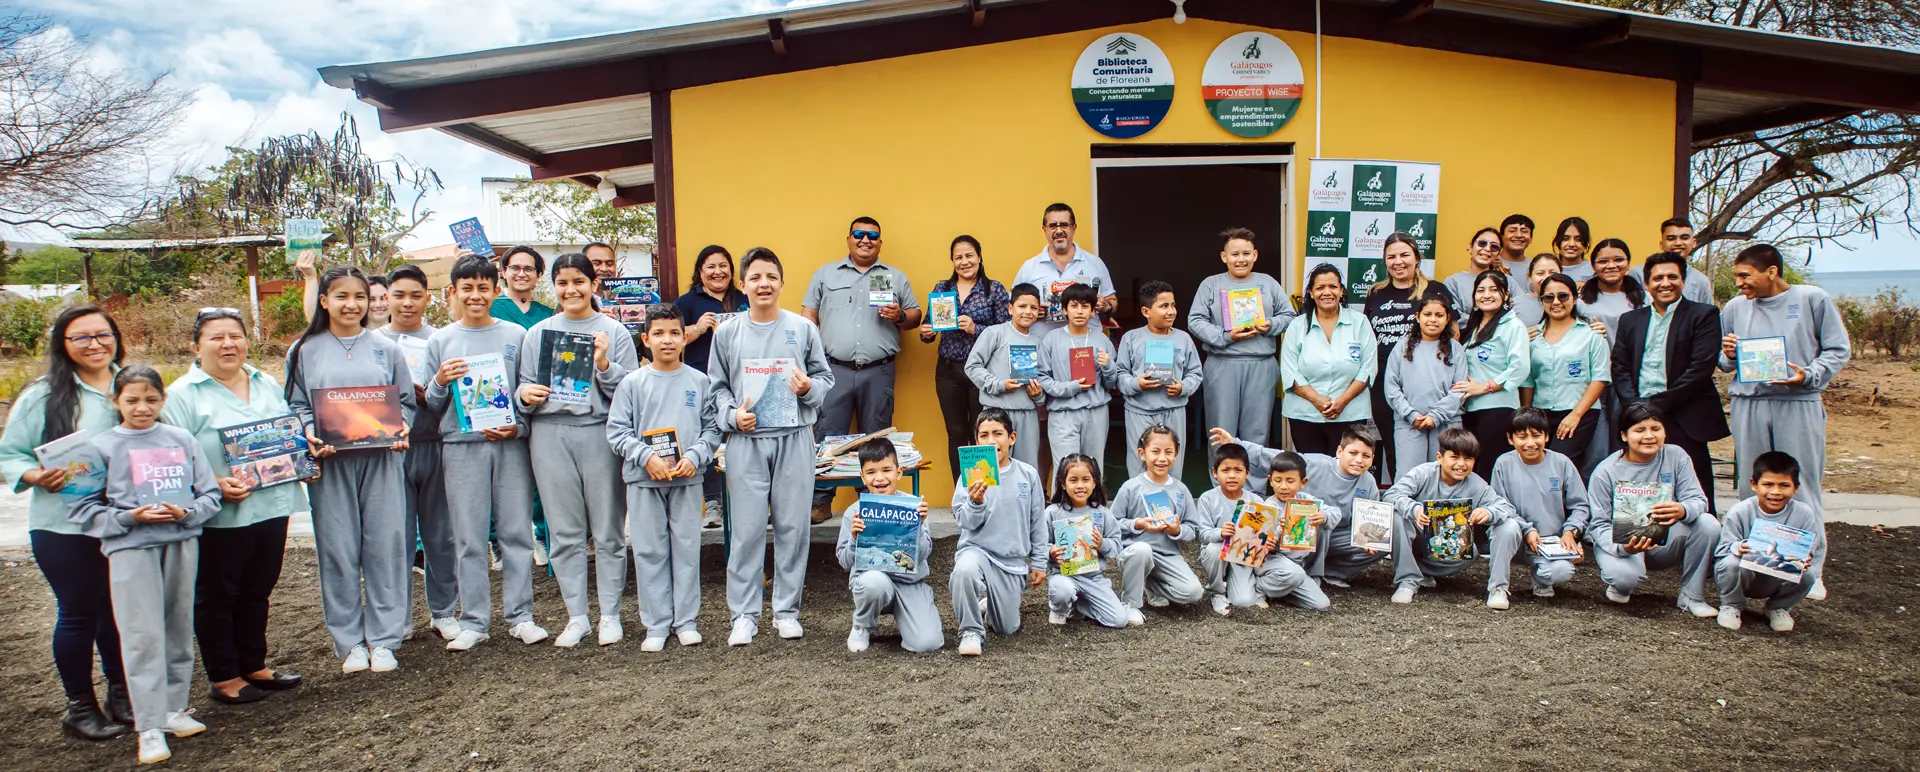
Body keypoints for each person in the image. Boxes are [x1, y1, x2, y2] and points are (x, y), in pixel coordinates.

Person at [68, 365, 223, 766]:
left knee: (177, 625)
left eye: (151, 399)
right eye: (132, 400)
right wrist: (128, 518)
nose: (142, 408)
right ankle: (148, 725)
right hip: (130, 549)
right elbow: (83, 507)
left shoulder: (181, 439)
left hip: (181, 543)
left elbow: (208, 495)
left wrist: (186, 512)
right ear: (115, 401)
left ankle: (174, 709)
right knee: (141, 634)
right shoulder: (100, 447)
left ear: (163, 400)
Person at [0, 305, 133, 740]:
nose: (95, 344)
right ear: (63, 344)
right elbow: (10, 453)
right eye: (82, 338)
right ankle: (80, 706)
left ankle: (122, 695)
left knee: (116, 613)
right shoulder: (43, 394)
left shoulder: (130, 385)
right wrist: (36, 475)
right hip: (63, 527)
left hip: (122, 522)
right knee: (78, 613)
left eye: (103, 334)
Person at [160, 309, 305, 705]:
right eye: (216, 337)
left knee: (259, 588)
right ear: (196, 346)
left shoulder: (266, 382)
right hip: (222, 514)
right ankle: (224, 676)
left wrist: (302, 461)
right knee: (217, 593)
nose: (228, 344)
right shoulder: (181, 396)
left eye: (235, 336)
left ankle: (254, 663)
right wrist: (210, 484)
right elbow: (169, 460)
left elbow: (286, 436)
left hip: (272, 504)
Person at [286, 266, 415, 674]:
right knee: (338, 551)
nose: (351, 304)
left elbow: (406, 401)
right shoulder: (303, 350)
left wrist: (402, 426)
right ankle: (349, 641)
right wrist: (309, 431)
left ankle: (384, 639)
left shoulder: (385, 348)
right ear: (324, 301)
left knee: (386, 548)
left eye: (359, 296)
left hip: (381, 461)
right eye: (340, 296)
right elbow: (295, 405)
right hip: (331, 464)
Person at [708, 247, 835, 647]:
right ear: (742, 284)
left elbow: (824, 378)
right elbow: (718, 389)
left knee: (793, 527)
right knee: (746, 531)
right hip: (747, 440)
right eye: (755, 277)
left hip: (794, 437)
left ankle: (786, 610)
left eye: (771, 277)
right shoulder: (727, 333)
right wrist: (732, 417)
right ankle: (744, 614)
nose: (764, 284)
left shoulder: (803, 328)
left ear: (782, 282)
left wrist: (808, 389)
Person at [517, 253, 640, 648]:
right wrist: (527, 393)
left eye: (579, 281)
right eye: (562, 282)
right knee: (564, 531)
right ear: (552, 287)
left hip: (599, 433)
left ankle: (610, 614)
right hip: (549, 434)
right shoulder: (538, 333)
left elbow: (632, 390)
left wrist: (604, 364)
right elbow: (521, 387)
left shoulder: (615, 332)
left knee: (608, 531)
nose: (571, 290)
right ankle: (576, 616)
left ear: (594, 285)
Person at [422, 256, 544, 651]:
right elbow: (432, 406)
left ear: (496, 290)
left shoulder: (515, 335)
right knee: (470, 538)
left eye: (483, 288)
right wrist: (440, 380)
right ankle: (474, 619)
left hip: (508, 446)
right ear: (454, 292)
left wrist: (518, 426)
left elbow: (528, 392)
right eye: (467, 288)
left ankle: (521, 616)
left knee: (515, 533)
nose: (476, 296)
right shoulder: (441, 340)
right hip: (461, 448)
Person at [1718, 244, 1848, 600]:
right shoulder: (1733, 308)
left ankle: (1810, 569)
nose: (1740, 283)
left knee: (1801, 484)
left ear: (1771, 272)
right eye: (1737, 276)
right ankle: (1756, 562)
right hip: (1749, 403)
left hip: (1798, 401)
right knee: (1754, 486)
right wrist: (1728, 355)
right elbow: (1725, 362)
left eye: (1745, 275)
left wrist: (1807, 375)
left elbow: (1838, 350)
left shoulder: (1811, 299)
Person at [608, 305, 722, 652]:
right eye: (658, 333)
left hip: (687, 481)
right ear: (645, 340)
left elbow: (713, 428)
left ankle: (685, 621)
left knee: (686, 550)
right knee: (649, 551)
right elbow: (617, 432)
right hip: (644, 482)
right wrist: (646, 457)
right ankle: (656, 624)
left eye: (674, 333)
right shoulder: (632, 383)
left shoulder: (699, 381)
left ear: (684, 337)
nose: (667, 340)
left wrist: (694, 456)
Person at [803, 216, 922, 522]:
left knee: (876, 437)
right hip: (833, 370)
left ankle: (873, 502)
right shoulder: (825, 274)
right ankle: (819, 501)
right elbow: (807, 320)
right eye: (859, 234)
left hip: (877, 370)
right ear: (849, 239)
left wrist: (899, 315)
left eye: (872, 236)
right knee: (827, 435)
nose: (865, 240)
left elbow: (915, 316)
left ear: (880, 242)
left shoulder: (895, 276)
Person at [376, 264, 461, 637]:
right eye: (399, 295)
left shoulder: (441, 340)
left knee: (441, 536)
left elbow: (461, 396)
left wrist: (434, 391)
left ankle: (443, 611)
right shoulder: (372, 343)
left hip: (436, 444)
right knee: (395, 538)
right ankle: (397, 617)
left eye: (416, 295)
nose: (407, 303)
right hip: (390, 451)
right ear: (386, 298)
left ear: (429, 299)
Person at [1612, 252, 1729, 510]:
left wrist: (1655, 406)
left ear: (1683, 281)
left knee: (1693, 482)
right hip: (1638, 413)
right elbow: (1619, 366)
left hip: (1683, 413)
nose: (1665, 283)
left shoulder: (1704, 315)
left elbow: (1701, 368)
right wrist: (1635, 406)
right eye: (1658, 278)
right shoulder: (1631, 320)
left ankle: (1702, 539)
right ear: (1647, 284)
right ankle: (1643, 539)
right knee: (1642, 479)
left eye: (1672, 277)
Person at [1585, 401, 1720, 618]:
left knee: (1708, 524)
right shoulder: (1605, 472)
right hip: (1623, 542)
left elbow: (1699, 500)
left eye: (1656, 429)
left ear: (1665, 433)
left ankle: (1691, 596)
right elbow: (1597, 524)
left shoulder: (1676, 456)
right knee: (1624, 577)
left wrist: (1682, 509)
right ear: (1624, 436)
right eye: (1640, 430)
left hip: (1665, 539)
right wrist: (1623, 548)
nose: (1649, 436)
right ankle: (1621, 585)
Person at [1212, 424, 1383, 587]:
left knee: (1382, 544)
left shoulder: (1368, 482)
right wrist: (1237, 444)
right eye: (1353, 453)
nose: (1358, 460)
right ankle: (1304, 573)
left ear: (1372, 459)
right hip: (1301, 532)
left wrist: (1370, 541)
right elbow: (1276, 456)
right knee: (1316, 521)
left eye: (1366, 456)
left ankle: (1332, 572)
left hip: (1338, 536)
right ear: (1340, 451)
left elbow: (1370, 519)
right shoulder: (1318, 464)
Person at [1382, 428, 1522, 609]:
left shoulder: (1476, 483)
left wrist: (1488, 512)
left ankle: (1498, 589)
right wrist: (1414, 509)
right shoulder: (1423, 473)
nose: (1461, 464)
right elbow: (1391, 495)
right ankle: (1408, 580)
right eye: (1455, 457)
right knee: (1396, 516)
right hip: (1419, 541)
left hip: (1453, 552)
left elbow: (1506, 508)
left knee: (1509, 524)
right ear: (1440, 457)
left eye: (1468, 459)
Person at [948, 408, 1047, 657]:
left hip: (1011, 562)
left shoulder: (1028, 474)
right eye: (984, 435)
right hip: (978, 550)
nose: (991, 440)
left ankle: (989, 603)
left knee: (1007, 628)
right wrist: (976, 502)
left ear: (1011, 438)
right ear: (976, 441)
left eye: (997, 433)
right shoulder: (969, 477)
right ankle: (970, 630)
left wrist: (1039, 562)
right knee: (964, 570)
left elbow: (1037, 521)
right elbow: (964, 521)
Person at [1363, 233, 1457, 480]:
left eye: (1405, 255)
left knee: (1438, 455)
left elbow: (1453, 334)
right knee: (1398, 450)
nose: (1398, 261)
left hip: (1429, 382)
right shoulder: (1375, 292)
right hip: (1385, 381)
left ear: (1417, 258)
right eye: (1391, 256)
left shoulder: (1436, 290)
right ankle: (1402, 503)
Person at [1188, 228, 1293, 446]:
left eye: (1246, 254)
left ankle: (1253, 481)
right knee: (1220, 432)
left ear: (1255, 255)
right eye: (1235, 254)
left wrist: (1270, 325)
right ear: (1224, 257)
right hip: (1222, 364)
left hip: (1261, 364)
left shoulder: (1269, 283)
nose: (1241, 259)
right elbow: (1195, 321)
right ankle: (1220, 479)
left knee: (1257, 432)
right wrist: (1226, 336)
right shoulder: (1211, 284)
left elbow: (1290, 316)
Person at [919, 235, 1010, 481]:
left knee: (982, 431)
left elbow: (1006, 332)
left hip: (982, 373)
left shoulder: (995, 289)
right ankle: (962, 491)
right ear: (952, 261)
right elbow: (929, 328)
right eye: (958, 257)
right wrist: (926, 332)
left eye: (969, 255)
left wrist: (975, 328)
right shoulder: (942, 289)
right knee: (956, 433)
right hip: (949, 371)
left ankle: (984, 489)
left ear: (980, 258)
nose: (964, 261)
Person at [838, 439, 941, 653]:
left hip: (909, 584)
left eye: (887, 470)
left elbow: (923, 555)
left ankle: (919, 607)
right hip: (873, 583)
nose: (880, 478)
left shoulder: (914, 507)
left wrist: (919, 527)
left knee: (928, 643)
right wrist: (854, 539)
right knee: (875, 583)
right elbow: (845, 562)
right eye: (871, 472)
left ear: (899, 472)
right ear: (863, 477)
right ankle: (862, 625)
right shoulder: (854, 512)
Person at [672, 245, 749, 528]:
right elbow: (671, 338)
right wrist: (697, 328)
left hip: (741, 382)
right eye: (710, 267)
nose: (718, 272)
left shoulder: (744, 298)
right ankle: (714, 504)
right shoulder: (687, 302)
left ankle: (743, 500)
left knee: (741, 442)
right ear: (700, 272)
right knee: (709, 440)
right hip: (701, 383)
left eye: (723, 265)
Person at [1714, 451, 1824, 633]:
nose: (1775, 492)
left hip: (1779, 576)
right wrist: (1737, 547)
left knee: (1809, 574)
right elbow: (1721, 550)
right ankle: (1731, 605)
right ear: (1754, 484)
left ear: (1796, 487)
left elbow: (1809, 549)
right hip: (1744, 575)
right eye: (1768, 484)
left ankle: (1778, 607)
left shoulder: (1804, 513)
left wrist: (1804, 560)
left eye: (1784, 485)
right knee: (1730, 562)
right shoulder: (1740, 511)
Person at [1489, 408, 1589, 598]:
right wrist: (1526, 529)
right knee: (1506, 527)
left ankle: (1542, 578)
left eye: (1536, 436)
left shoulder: (1562, 463)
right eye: (1522, 437)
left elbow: (1580, 506)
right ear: (1510, 439)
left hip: (1550, 542)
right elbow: (1500, 505)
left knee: (1561, 572)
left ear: (1546, 436)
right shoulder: (1503, 464)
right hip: (1516, 539)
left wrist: (1571, 531)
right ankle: (1498, 588)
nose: (1530, 443)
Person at [1112, 424, 1206, 622]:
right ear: (1142, 453)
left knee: (1193, 593)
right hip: (1134, 552)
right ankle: (1130, 604)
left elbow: (1192, 528)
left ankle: (1152, 584)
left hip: (1168, 554)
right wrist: (1137, 524)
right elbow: (1112, 524)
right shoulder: (1130, 487)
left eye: (1168, 452)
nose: (1162, 458)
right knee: (1142, 551)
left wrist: (1177, 530)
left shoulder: (1181, 490)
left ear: (1176, 454)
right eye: (1155, 451)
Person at [1282, 264, 1377, 456]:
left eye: (1333, 287)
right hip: (1305, 415)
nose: (1327, 292)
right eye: (1320, 288)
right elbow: (1289, 371)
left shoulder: (1359, 323)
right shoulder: (1297, 326)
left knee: (1346, 472)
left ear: (1341, 291)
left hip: (1351, 413)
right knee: (1313, 472)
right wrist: (1317, 401)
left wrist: (1342, 401)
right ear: (1310, 293)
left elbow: (1367, 369)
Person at [1115, 280, 1203, 478]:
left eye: (1172, 305)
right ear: (1146, 311)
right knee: (1140, 466)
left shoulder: (1183, 339)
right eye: (1163, 306)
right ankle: (1140, 508)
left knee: (1172, 466)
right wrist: (1136, 384)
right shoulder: (1131, 338)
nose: (1171, 311)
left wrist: (1183, 387)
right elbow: (1120, 375)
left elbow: (1196, 373)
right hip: (1140, 412)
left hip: (1174, 410)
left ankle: (1172, 508)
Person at [1522, 273, 1609, 470]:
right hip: (1541, 413)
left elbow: (1600, 378)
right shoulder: (1532, 336)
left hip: (1578, 411)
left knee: (1561, 465)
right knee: (1538, 466)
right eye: (1548, 297)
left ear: (1575, 298)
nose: (1556, 302)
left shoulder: (1591, 334)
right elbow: (1528, 380)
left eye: (1563, 296)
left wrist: (1575, 415)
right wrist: (1527, 415)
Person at [1457, 271, 1532, 480]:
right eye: (1480, 290)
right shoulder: (1473, 327)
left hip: (1498, 409)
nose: (1486, 295)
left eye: (1493, 290)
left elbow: (1519, 367)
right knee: (1474, 469)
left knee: (1490, 470)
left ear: (1506, 294)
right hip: (1472, 410)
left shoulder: (1513, 326)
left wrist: (1484, 387)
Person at [963, 284, 1047, 468]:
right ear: (1010, 308)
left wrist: (1037, 395)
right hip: (995, 413)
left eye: (1033, 308)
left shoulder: (1038, 343)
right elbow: (972, 366)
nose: (1027, 312)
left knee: (1026, 468)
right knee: (989, 470)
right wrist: (999, 384)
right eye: (1022, 306)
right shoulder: (994, 333)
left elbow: (1044, 379)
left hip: (1027, 415)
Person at [1384, 294, 1468, 476]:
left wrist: (1436, 416)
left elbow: (1460, 389)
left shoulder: (1456, 349)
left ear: (1447, 319)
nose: (1432, 320)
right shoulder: (1402, 347)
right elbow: (1391, 387)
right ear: (1417, 317)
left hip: (1447, 424)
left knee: (1444, 475)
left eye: (1439, 315)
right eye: (1427, 314)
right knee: (1409, 476)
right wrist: (1411, 415)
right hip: (1409, 423)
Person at [1038, 283, 1117, 470]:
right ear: (1065, 310)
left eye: (1085, 306)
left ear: (1092, 311)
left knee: (1093, 466)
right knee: (1065, 468)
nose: (1079, 311)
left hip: (1096, 411)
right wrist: (1070, 387)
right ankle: (1063, 501)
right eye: (1074, 306)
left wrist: (1108, 366)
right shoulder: (1051, 339)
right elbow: (1043, 378)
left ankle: (1094, 501)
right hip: (1062, 412)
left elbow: (1111, 383)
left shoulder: (1102, 340)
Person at [1043, 454, 1128, 628]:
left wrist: (1101, 544)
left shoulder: (1102, 513)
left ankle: (1080, 606)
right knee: (1062, 590)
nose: (1080, 486)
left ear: (1094, 482)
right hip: (1063, 575)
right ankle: (1060, 608)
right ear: (1062, 484)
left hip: (1093, 578)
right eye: (1073, 480)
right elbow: (1038, 545)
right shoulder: (1052, 512)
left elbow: (1117, 545)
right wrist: (1051, 551)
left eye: (1086, 480)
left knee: (1119, 620)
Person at [1014, 203, 1118, 339]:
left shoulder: (1094, 263)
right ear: (1044, 229)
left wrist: (1106, 307)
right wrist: (1031, 309)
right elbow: (1013, 305)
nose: (1058, 231)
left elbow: (1113, 302)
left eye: (1064, 225)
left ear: (1074, 228)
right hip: (1043, 347)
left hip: (1086, 346)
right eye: (1052, 226)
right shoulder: (1029, 267)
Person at [1189, 443, 1265, 615]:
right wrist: (1220, 533)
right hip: (1216, 553)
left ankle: (1249, 585)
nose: (1232, 476)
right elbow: (1203, 535)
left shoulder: (1256, 501)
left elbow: (1261, 537)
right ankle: (1217, 592)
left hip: (1242, 555)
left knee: (1243, 602)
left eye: (1238, 470)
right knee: (1215, 548)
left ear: (1247, 473)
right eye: (1226, 470)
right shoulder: (1207, 498)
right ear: (1215, 473)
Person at [1632, 218, 1715, 305]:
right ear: (1661, 244)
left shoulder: (1701, 281)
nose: (1678, 243)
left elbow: (1708, 315)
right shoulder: (1638, 274)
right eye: (1671, 238)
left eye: (1684, 238)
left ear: (1693, 243)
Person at [1576, 239, 1645, 341]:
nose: (1611, 266)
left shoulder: (1645, 298)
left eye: (1618, 260)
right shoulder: (1580, 300)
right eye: (1603, 261)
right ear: (1593, 266)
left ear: (1628, 262)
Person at [1444, 227, 1505, 319]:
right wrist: (1487, 323)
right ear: (1470, 247)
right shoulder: (1453, 282)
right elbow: (1454, 316)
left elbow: (1521, 306)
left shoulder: (1506, 280)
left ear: (1498, 254)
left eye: (1494, 247)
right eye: (1482, 243)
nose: (1488, 249)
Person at [491, 246, 555, 330]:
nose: (521, 274)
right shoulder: (489, 308)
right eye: (515, 268)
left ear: (538, 275)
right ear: (503, 272)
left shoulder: (549, 315)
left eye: (528, 269)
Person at [1550, 216, 1594, 282]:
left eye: (1578, 239)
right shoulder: (1548, 270)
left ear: (1586, 244)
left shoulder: (1594, 270)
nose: (1571, 244)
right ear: (1557, 242)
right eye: (1566, 239)